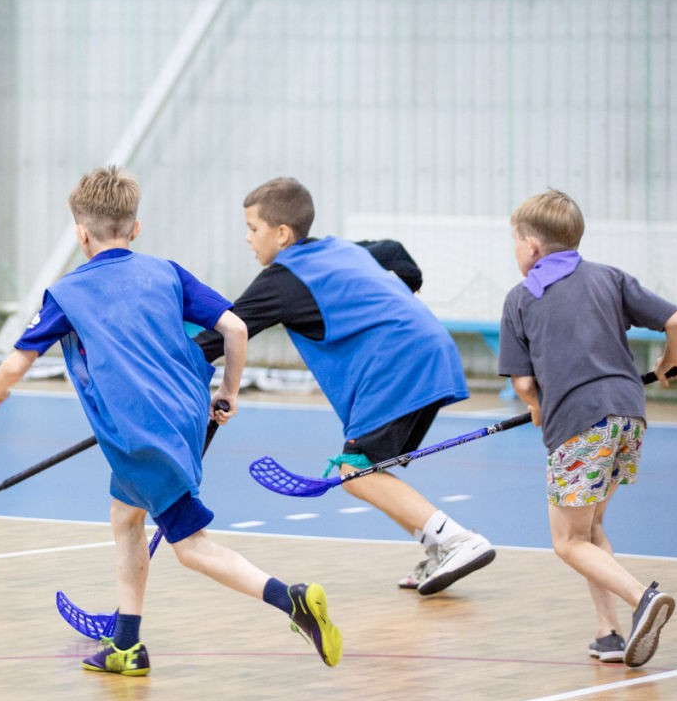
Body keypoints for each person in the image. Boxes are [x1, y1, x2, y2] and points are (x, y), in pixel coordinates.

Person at [0, 166, 341, 677]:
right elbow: (236, 328)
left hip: (142, 436)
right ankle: (127, 645)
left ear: (81, 234)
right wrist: (228, 391)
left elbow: (17, 361)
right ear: (135, 228)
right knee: (125, 516)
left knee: (191, 547)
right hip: (186, 414)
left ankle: (292, 600)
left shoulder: (67, 293)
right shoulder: (167, 272)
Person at [203, 177, 495, 596]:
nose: (247, 238)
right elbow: (396, 253)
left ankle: (457, 541)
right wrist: (396, 298)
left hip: (397, 365)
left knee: (356, 473)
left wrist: (159, 370)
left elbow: (226, 332)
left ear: (281, 233)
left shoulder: (283, 280)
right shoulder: (340, 249)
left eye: (253, 228)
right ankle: (438, 547)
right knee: (368, 469)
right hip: (426, 351)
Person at [499, 189, 677, 668]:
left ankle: (642, 598)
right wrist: (671, 362)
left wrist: (536, 406)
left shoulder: (521, 298)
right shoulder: (609, 277)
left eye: (515, 241)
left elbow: (524, 382)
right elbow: (675, 319)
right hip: (629, 416)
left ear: (532, 246)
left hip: (580, 424)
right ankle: (608, 633)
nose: (515, 250)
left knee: (568, 542)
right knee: (591, 527)